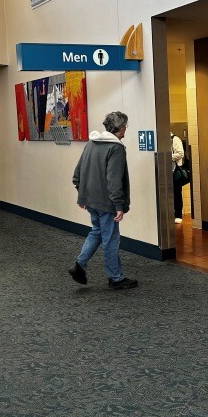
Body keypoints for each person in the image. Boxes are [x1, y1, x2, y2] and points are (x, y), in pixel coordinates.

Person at [68, 112, 138, 290]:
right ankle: (116, 278)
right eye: (125, 126)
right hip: (107, 203)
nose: (125, 130)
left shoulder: (91, 143)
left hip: (91, 201)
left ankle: (79, 266)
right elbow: (113, 180)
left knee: (97, 232)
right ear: (120, 128)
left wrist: (82, 195)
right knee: (111, 239)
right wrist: (118, 205)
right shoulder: (116, 148)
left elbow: (77, 174)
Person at [171, 132, 186, 224]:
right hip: (166, 170)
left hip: (175, 170)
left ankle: (178, 215)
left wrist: (168, 156)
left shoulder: (175, 139)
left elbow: (180, 153)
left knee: (177, 193)